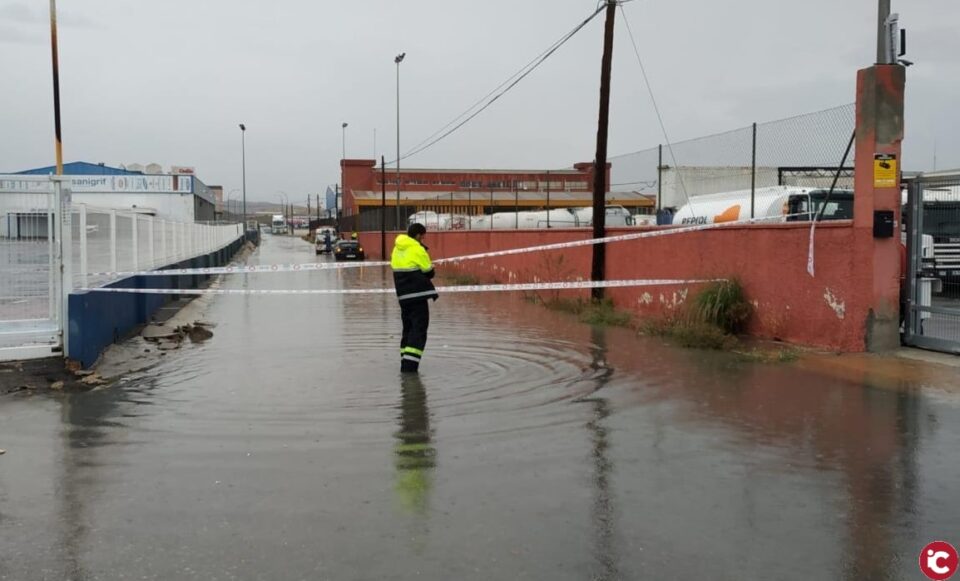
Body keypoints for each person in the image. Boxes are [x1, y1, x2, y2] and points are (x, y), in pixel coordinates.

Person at [391, 223, 438, 373]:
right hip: (418, 296)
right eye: (423, 236)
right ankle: (410, 369)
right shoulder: (417, 249)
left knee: (408, 329)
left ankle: (405, 362)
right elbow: (429, 272)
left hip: (403, 297)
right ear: (418, 235)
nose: (424, 239)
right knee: (419, 330)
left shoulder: (397, 248)